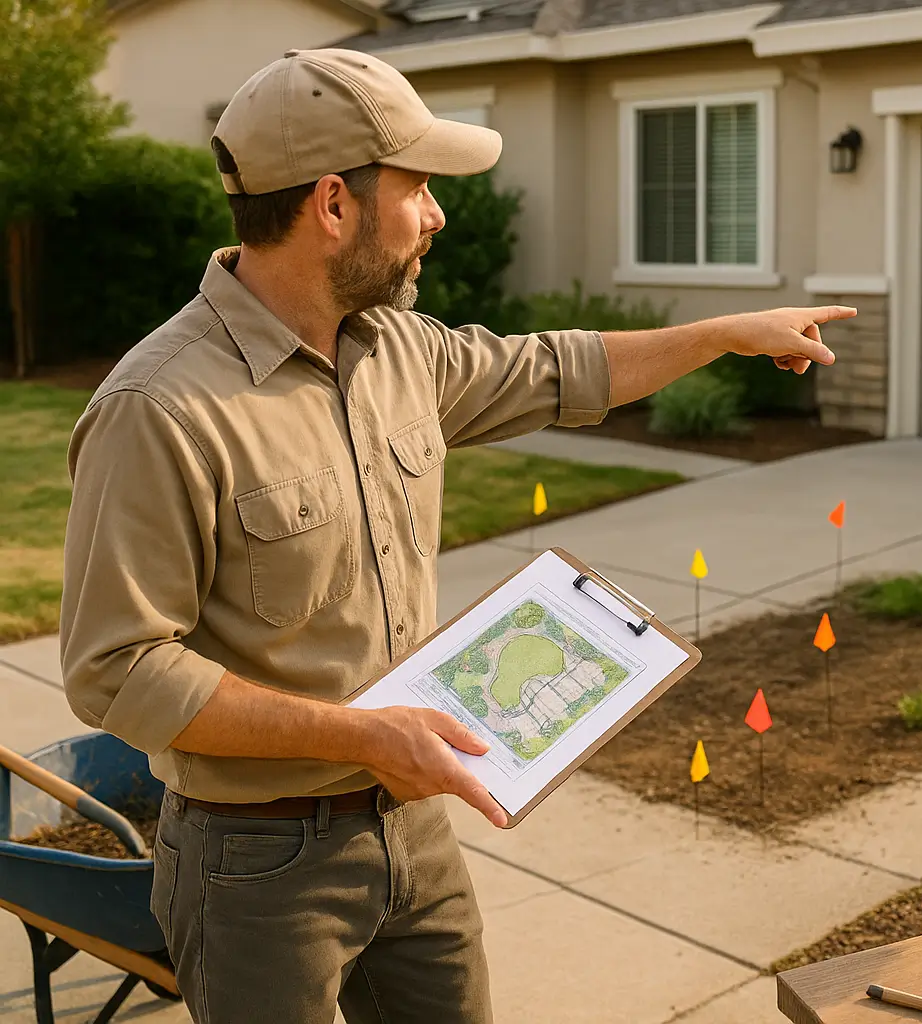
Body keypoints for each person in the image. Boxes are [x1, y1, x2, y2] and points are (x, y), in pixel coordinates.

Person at [59, 48, 851, 1023]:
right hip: (253, 863)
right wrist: (361, 733)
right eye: (420, 186)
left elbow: (559, 368)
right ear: (334, 204)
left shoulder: (397, 349)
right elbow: (118, 669)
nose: (437, 214)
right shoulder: (160, 407)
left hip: (413, 829)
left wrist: (721, 334)